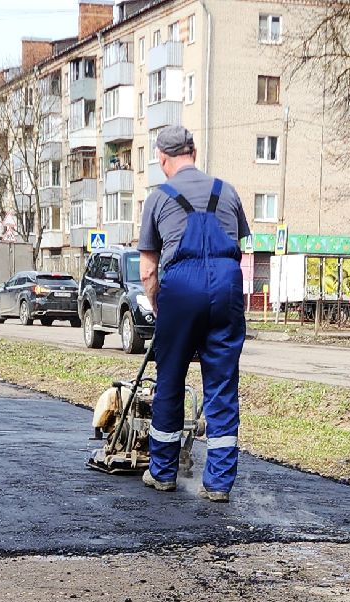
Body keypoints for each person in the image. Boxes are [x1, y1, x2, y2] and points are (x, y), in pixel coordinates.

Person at [135, 124, 250, 503]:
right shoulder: (227, 192)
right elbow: (240, 251)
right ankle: (217, 483)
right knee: (221, 381)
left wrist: (158, 305)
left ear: (162, 159)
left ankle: (163, 472)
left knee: (169, 378)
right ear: (195, 154)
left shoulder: (158, 198)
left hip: (181, 288)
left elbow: (149, 270)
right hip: (227, 284)